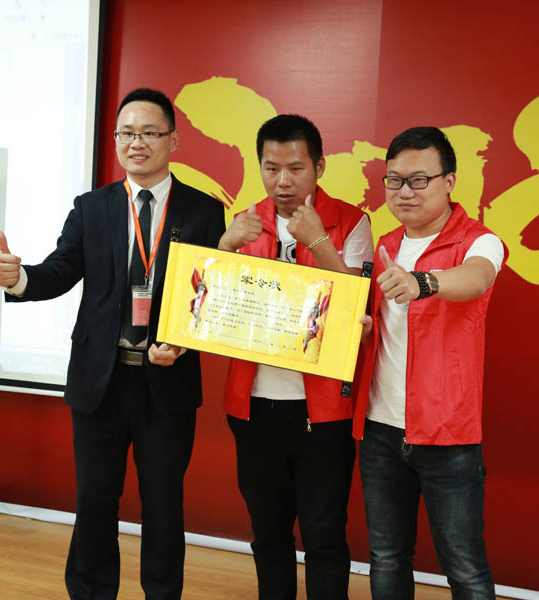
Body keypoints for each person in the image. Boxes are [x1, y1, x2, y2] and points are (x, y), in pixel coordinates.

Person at [0, 88, 226, 600]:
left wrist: (182, 345)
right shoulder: (92, 207)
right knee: (95, 501)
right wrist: (20, 279)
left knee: (163, 505)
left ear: (173, 140)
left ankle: (161, 592)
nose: (136, 143)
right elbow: (61, 270)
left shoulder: (204, 211)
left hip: (167, 380)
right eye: (126, 133)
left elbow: (209, 295)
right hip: (101, 379)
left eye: (149, 133)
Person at [217, 114, 374, 599]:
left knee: (324, 535)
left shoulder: (352, 222)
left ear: (319, 167)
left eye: (295, 168)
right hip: (253, 404)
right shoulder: (245, 221)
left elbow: (355, 309)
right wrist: (225, 245)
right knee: (268, 533)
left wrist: (318, 241)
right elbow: (214, 307)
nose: (282, 181)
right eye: (271, 168)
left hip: (322, 409)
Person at [353, 127, 505, 600]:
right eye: (394, 180)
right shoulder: (385, 243)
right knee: (386, 556)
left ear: (449, 181)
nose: (405, 192)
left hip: (447, 433)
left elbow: (476, 278)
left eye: (419, 180)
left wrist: (424, 283)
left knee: (464, 567)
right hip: (380, 429)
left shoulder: (479, 241)